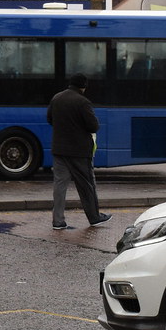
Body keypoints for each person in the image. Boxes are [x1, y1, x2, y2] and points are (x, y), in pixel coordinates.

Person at [46, 73, 111, 230]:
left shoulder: (57, 98)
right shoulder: (83, 102)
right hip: (79, 152)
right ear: (83, 86)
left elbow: (49, 119)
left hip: (59, 150)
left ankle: (58, 221)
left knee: (59, 185)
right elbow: (93, 126)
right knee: (86, 185)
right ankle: (94, 217)